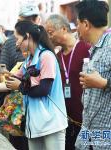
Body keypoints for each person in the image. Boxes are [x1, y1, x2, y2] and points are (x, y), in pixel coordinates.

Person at [5, 20, 68, 150]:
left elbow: (44, 90)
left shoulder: (46, 56)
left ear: (27, 36)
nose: (16, 43)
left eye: (17, 39)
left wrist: (20, 87)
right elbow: (11, 81)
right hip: (34, 125)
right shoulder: (28, 61)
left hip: (52, 124)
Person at [0, 3, 41, 150]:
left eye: (31, 19)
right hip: (17, 109)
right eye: (24, 19)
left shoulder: (46, 41)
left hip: (40, 109)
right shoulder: (12, 41)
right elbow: (3, 76)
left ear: (37, 19)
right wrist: (0, 74)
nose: (28, 23)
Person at [44, 14, 91, 150]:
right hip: (64, 120)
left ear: (64, 29)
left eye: (50, 32)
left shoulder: (86, 49)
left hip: (85, 119)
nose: (48, 36)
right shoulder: (56, 57)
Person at [75, 1, 111, 150]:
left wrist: (103, 83)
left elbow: (102, 83)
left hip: (105, 133)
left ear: (85, 24)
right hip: (89, 130)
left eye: (77, 23)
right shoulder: (95, 48)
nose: (76, 28)